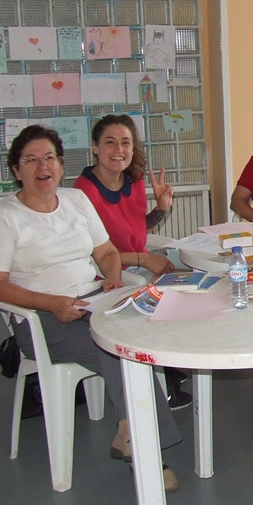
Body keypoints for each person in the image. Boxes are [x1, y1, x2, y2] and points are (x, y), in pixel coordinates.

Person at [0, 125, 181, 492]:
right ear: (16, 170)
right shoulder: (4, 216)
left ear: (61, 164)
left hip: (92, 299)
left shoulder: (75, 199)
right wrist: (52, 303)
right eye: (31, 160)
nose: (43, 167)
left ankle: (129, 432)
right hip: (43, 318)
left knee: (144, 336)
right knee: (118, 350)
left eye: (50, 158)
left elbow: (105, 252)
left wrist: (113, 278)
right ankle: (146, 451)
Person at [73, 114, 191, 411]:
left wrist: (161, 208)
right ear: (95, 147)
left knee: (195, 272)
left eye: (125, 142)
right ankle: (161, 377)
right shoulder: (83, 192)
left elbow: (137, 228)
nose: (119, 150)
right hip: (112, 271)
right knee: (165, 293)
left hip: (140, 259)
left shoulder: (134, 179)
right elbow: (94, 252)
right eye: (110, 142)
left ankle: (171, 360)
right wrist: (143, 259)